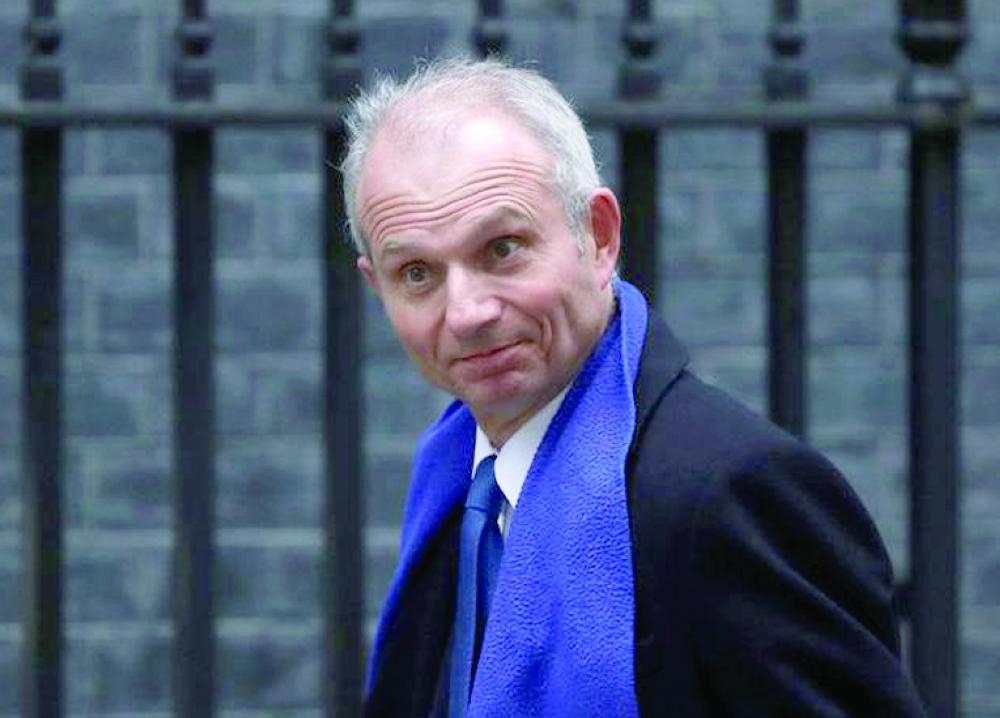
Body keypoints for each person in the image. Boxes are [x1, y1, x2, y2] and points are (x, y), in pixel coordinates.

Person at [341, 57, 925, 717]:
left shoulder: (735, 493)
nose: (467, 312)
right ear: (377, 287)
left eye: (502, 248)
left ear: (599, 237)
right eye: (417, 273)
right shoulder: (455, 487)